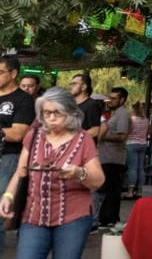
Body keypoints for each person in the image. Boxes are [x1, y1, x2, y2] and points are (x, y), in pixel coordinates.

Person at [0, 87, 105, 259]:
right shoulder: (34, 136)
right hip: (34, 216)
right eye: (47, 113)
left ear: (71, 113)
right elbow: (20, 173)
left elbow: (98, 180)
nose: (51, 118)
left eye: (58, 113)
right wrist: (8, 196)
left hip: (73, 217)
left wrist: (79, 173)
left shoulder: (83, 138)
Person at [0, 56, 41, 252]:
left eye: (0, 72)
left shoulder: (22, 99)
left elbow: (18, 133)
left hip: (7, 158)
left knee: (1, 211)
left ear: (13, 73)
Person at [95, 86, 131, 227]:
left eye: (114, 98)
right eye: (110, 98)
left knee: (113, 189)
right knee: (109, 189)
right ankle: (105, 217)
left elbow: (122, 136)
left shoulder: (123, 114)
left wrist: (103, 137)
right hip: (107, 156)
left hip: (115, 158)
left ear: (122, 100)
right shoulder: (115, 114)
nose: (110, 101)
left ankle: (111, 218)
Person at [125, 101, 149, 199]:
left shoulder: (131, 120)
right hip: (143, 144)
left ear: (133, 109)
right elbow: (149, 132)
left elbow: (127, 131)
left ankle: (130, 192)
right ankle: (139, 191)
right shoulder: (146, 120)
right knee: (140, 168)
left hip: (132, 144)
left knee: (132, 169)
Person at [68, 74, 102, 143]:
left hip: (85, 149)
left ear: (83, 87)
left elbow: (95, 130)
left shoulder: (92, 105)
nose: (71, 86)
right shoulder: (71, 105)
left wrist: (75, 138)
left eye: (74, 84)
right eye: (71, 84)